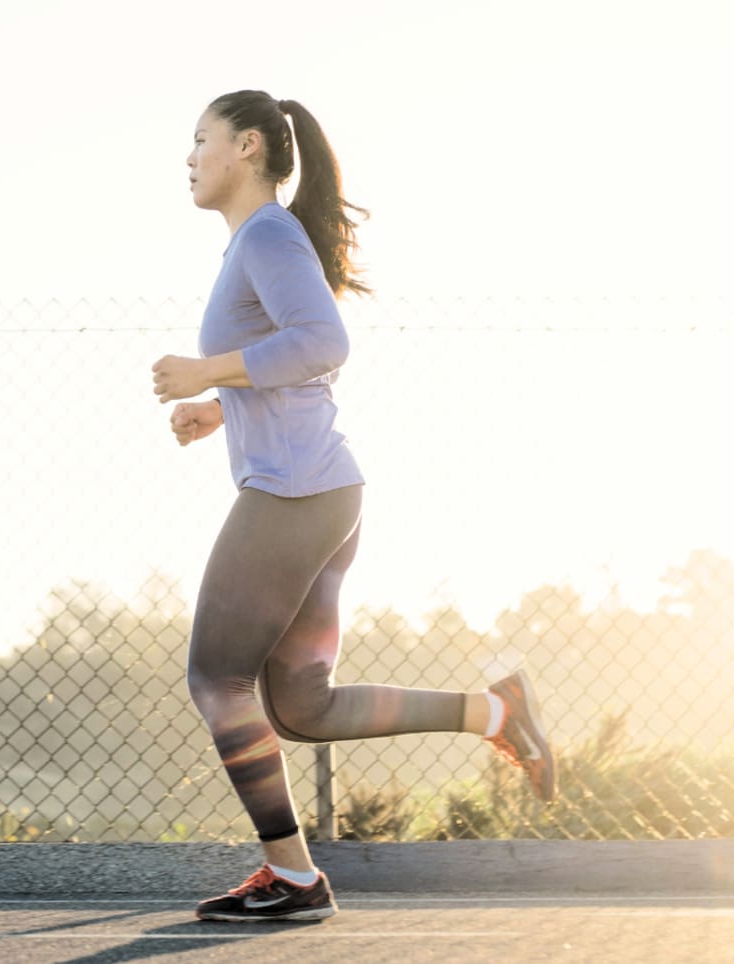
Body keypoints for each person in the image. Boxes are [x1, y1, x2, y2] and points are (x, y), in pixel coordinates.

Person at [151, 90, 555, 923]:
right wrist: (222, 407)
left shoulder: (266, 234)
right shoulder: (257, 242)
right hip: (322, 492)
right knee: (302, 707)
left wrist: (208, 370)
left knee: (217, 679)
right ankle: (497, 711)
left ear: (248, 147)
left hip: (297, 494)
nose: (188, 157)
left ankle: (294, 878)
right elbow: (299, 364)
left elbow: (324, 343)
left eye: (200, 139)